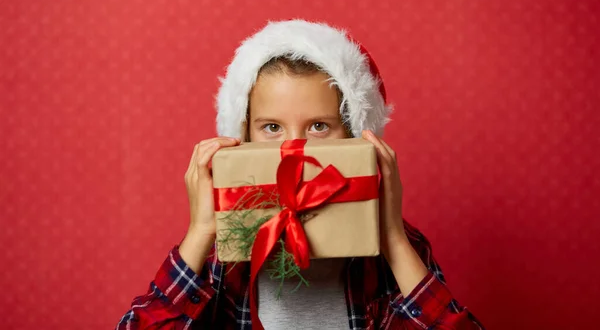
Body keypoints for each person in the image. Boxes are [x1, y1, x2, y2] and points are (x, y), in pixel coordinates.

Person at [117, 20, 484, 329]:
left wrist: (391, 238)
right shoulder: (218, 257)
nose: (296, 151)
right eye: (272, 127)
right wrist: (200, 234)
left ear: (356, 136)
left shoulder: (398, 250)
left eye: (319, 127)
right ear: (242, 136)